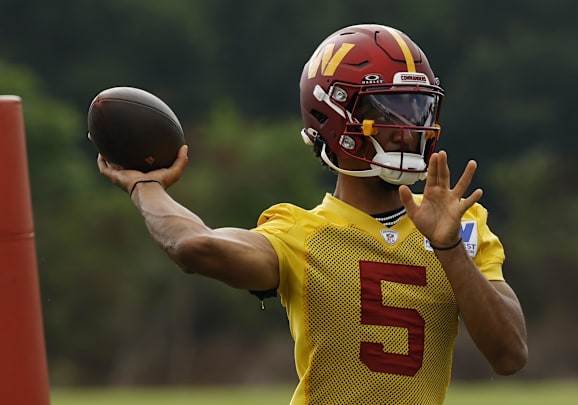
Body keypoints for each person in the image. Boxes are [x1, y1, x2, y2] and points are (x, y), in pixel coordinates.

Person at [98, 23, 527, 404]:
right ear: (336, 117)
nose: (408, 127)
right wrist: (145, 185)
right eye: (390, 110)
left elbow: (510, 356)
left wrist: (448, 248)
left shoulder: (463, 225)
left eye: (418, 108)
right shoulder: (302, 234)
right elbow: (194, 246)